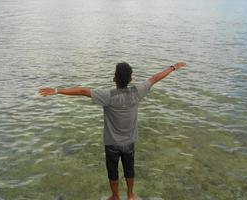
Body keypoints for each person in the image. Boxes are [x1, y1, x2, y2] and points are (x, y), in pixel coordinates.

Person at [39, 62, 187, 200]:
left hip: (111, 144)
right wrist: (173, 67)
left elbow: (83, 90)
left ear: (114, 78)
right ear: (130, 78)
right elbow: (155, 78)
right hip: (129, 143)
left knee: (113, 172)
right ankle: (130, 195)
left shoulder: (107, 96)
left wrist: (57, 91)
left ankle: (115, 197)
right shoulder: (138, 91)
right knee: (129, 169)